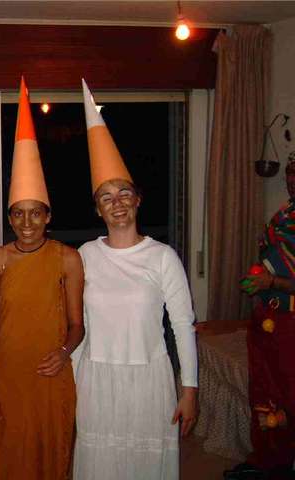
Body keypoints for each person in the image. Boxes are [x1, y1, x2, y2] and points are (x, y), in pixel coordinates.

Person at [71, 80, 198, 480]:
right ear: (97, 209)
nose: (118, 203)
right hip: (97, 381)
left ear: (138, 199)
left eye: (124, 193)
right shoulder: (84, 256)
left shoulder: (162, 257)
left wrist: (190, 390)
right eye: (106, 197)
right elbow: (78, 325)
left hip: (149, 381)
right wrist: (71, 386)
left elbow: (183, 326)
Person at [0, 77, 83, 480]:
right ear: (10, 218)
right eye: (18, 214)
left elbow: (77, 325)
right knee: (8, 458)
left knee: (50, 456)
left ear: (48, 216)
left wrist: (64, 351)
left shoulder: (67, 258)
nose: (27, 222)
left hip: (50, 373)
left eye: (36, 213)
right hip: (6, 375)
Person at [237, 157, 295, 475]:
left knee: (287, 396)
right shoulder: (284, 214)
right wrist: (258, 279)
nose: (291, 181)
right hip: (267, 315)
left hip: (290, 321)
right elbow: (273, 258)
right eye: (289, 175)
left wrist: (271, 281)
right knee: (262, 392)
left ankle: (283, 464)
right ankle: (265, 459)